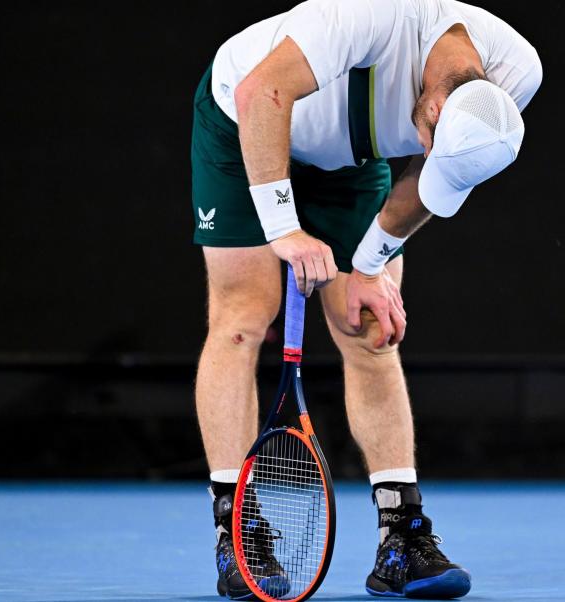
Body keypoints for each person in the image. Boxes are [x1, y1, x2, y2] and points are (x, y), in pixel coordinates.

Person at [191, 0, 542, 598]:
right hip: (244, 122)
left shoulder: (516, 73)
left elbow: (433, 178)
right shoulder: (364, 18)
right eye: (430, 143)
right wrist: (284, 229)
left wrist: (370, 263)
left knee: (371, 330)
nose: (429, 155)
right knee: (242, 318)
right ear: (432, 107)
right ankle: (238, 533)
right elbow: (261, 92)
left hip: (351, 161)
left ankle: (402, 539)